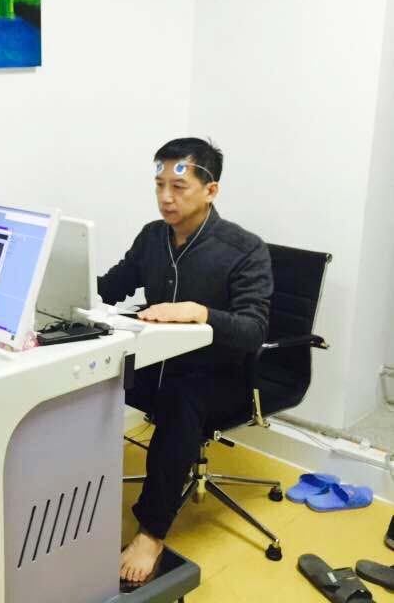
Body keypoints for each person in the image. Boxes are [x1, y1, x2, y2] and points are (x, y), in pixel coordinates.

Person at [96, 138, 273, 583]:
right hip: (157, 361)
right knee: (90, 378)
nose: (165, 198)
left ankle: (151, 533)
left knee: (180, 399)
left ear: (210, 190)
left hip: (220, 374)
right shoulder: (152, 237)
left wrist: (200, 312)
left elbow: (254, 330)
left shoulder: (245, 249)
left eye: (178, 187)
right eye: (159, 185)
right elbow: (112, 287)